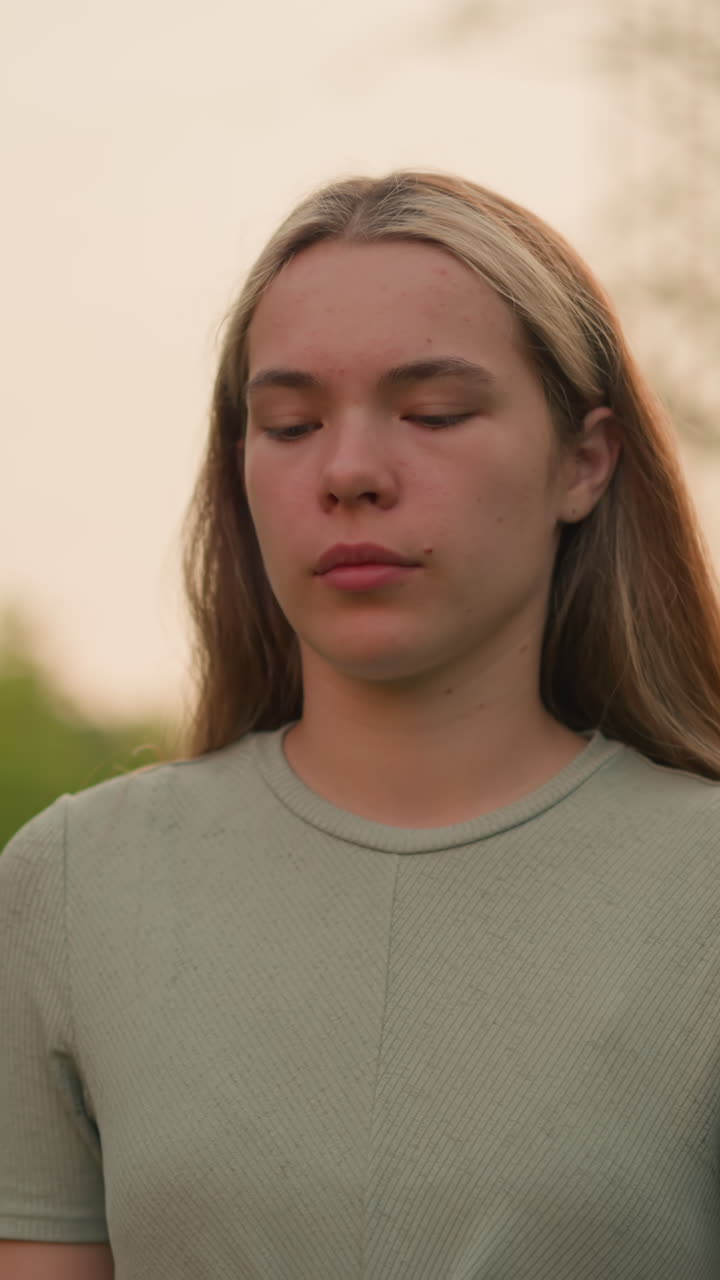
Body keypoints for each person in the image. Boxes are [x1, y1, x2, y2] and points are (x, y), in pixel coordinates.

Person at [2, 169, 720, 1280]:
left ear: (584, 461)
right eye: (289, 423)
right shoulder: (71, 884)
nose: (349, 472)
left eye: (433, 412)